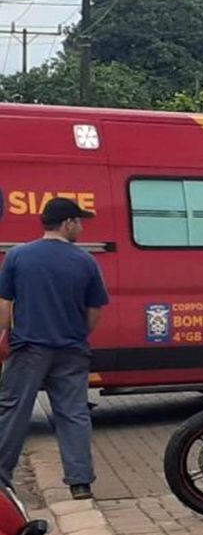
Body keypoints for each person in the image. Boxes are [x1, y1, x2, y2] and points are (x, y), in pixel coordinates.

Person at [0, 199, 109, 500]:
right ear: (67, 223)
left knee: (13, 411)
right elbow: (95, 309)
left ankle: (1, 477)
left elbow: (4, 306)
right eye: (79, 221)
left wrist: (5, 335)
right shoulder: (85, 261)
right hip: (71, 349)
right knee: (73, 414)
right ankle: (80, 483)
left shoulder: (18, 256)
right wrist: (78, 334)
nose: (82, 228)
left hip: (28, 347)